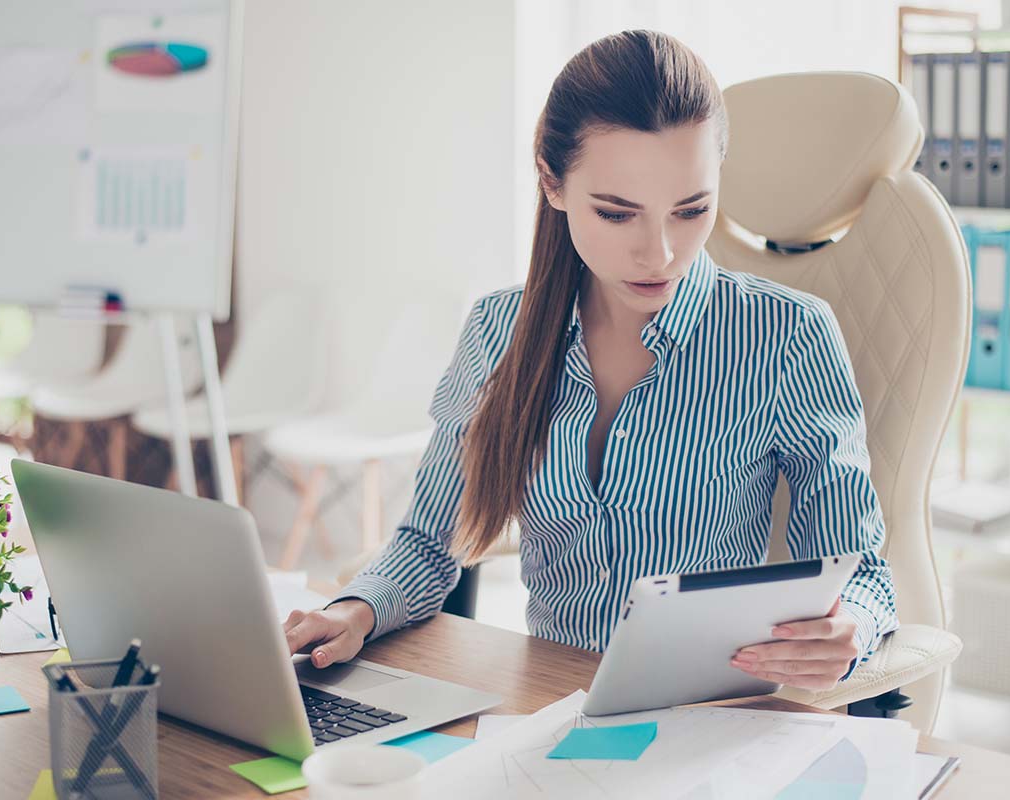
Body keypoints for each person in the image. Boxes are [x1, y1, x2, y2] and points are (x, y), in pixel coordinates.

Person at [284, 29, 897, 692]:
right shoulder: (499, 332)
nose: (659, 252)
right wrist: (354, 609)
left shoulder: (787, 337)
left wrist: (851, 630)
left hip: (710, 720)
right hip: (546, 711)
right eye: (616, 213)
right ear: (553, 184)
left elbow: (856, 571)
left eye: (691, 210)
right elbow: (431, 544)